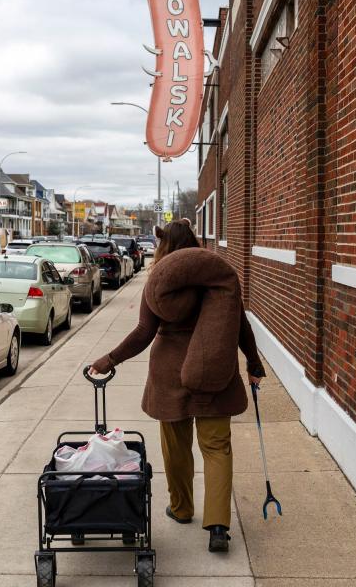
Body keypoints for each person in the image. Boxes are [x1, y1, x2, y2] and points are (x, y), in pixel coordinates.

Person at [90, 221, 265, 553]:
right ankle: (217, 527)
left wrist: (108, 360)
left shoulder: (158, 284)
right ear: (194, 243)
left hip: (169, 377)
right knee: (217, 450)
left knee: (176, 448)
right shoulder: (217, 282)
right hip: (214, 374)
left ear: (163, 246)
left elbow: (143, 332)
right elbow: (240, 325)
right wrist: (254, 366)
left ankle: (182, 508)